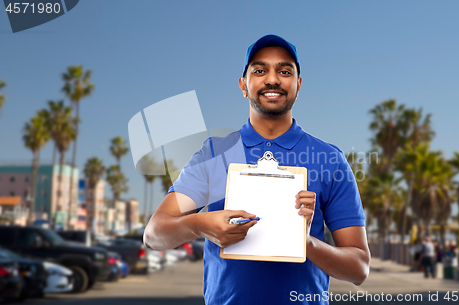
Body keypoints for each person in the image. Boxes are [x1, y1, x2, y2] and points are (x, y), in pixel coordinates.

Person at [144, 34, 370, 304]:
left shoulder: (329, 159)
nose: (272, 79)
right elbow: (154, 234)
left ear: (298, 85)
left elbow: (359, 268)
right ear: (243, 84)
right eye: (260, 70)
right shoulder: (214, 153)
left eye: (284, 71)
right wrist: (199, 225)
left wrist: (305, 243)